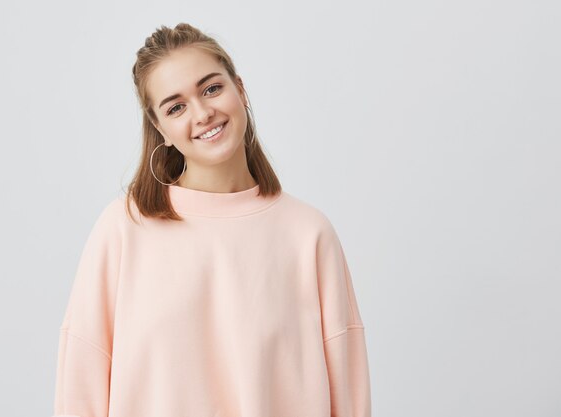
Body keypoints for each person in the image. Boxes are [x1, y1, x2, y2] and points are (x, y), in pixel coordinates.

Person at [51, 22, 371, 417]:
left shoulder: (309, 235)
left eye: (211, 88)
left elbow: (349, 400)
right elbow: (80, 392)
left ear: (241, 89)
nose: (203, 113)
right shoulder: (122, 230)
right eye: (176, 106)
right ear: (160, 128)